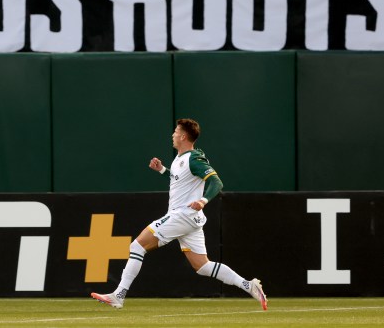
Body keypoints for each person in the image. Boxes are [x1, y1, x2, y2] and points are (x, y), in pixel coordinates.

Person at [91, 118, 267, 310]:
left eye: (175, 132)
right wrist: (162, 170)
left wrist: (203, 200)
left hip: (183, 215)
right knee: (202, 266)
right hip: (189, 219)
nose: (172, 135)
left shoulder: (194, 158)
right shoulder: (180, 159)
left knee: (137, 246)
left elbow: (217, 182)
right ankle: (248, 285)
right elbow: (180, 180)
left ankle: (119, 295)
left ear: (183, 136)